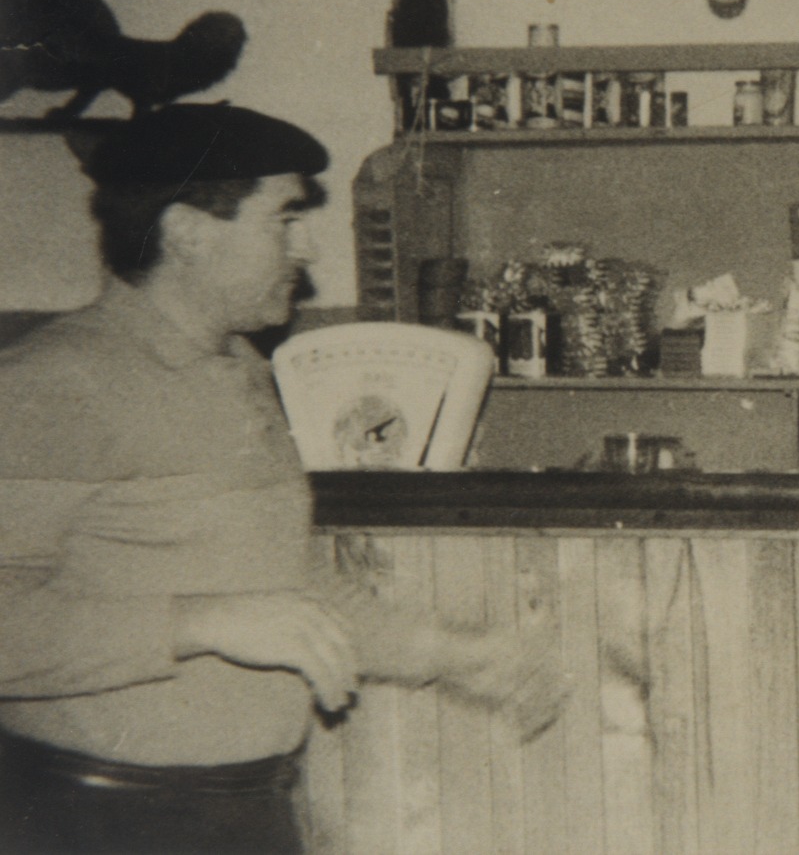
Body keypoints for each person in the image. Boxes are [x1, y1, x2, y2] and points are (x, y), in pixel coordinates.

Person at [0, 104, 565, 855]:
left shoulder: (239, 370)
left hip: (243, 814)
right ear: (189, 233)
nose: (306, 246)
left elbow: (288, 591)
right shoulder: (55, 383)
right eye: (285, 218)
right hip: (93, 822)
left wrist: (456, 655)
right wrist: (198, 622)